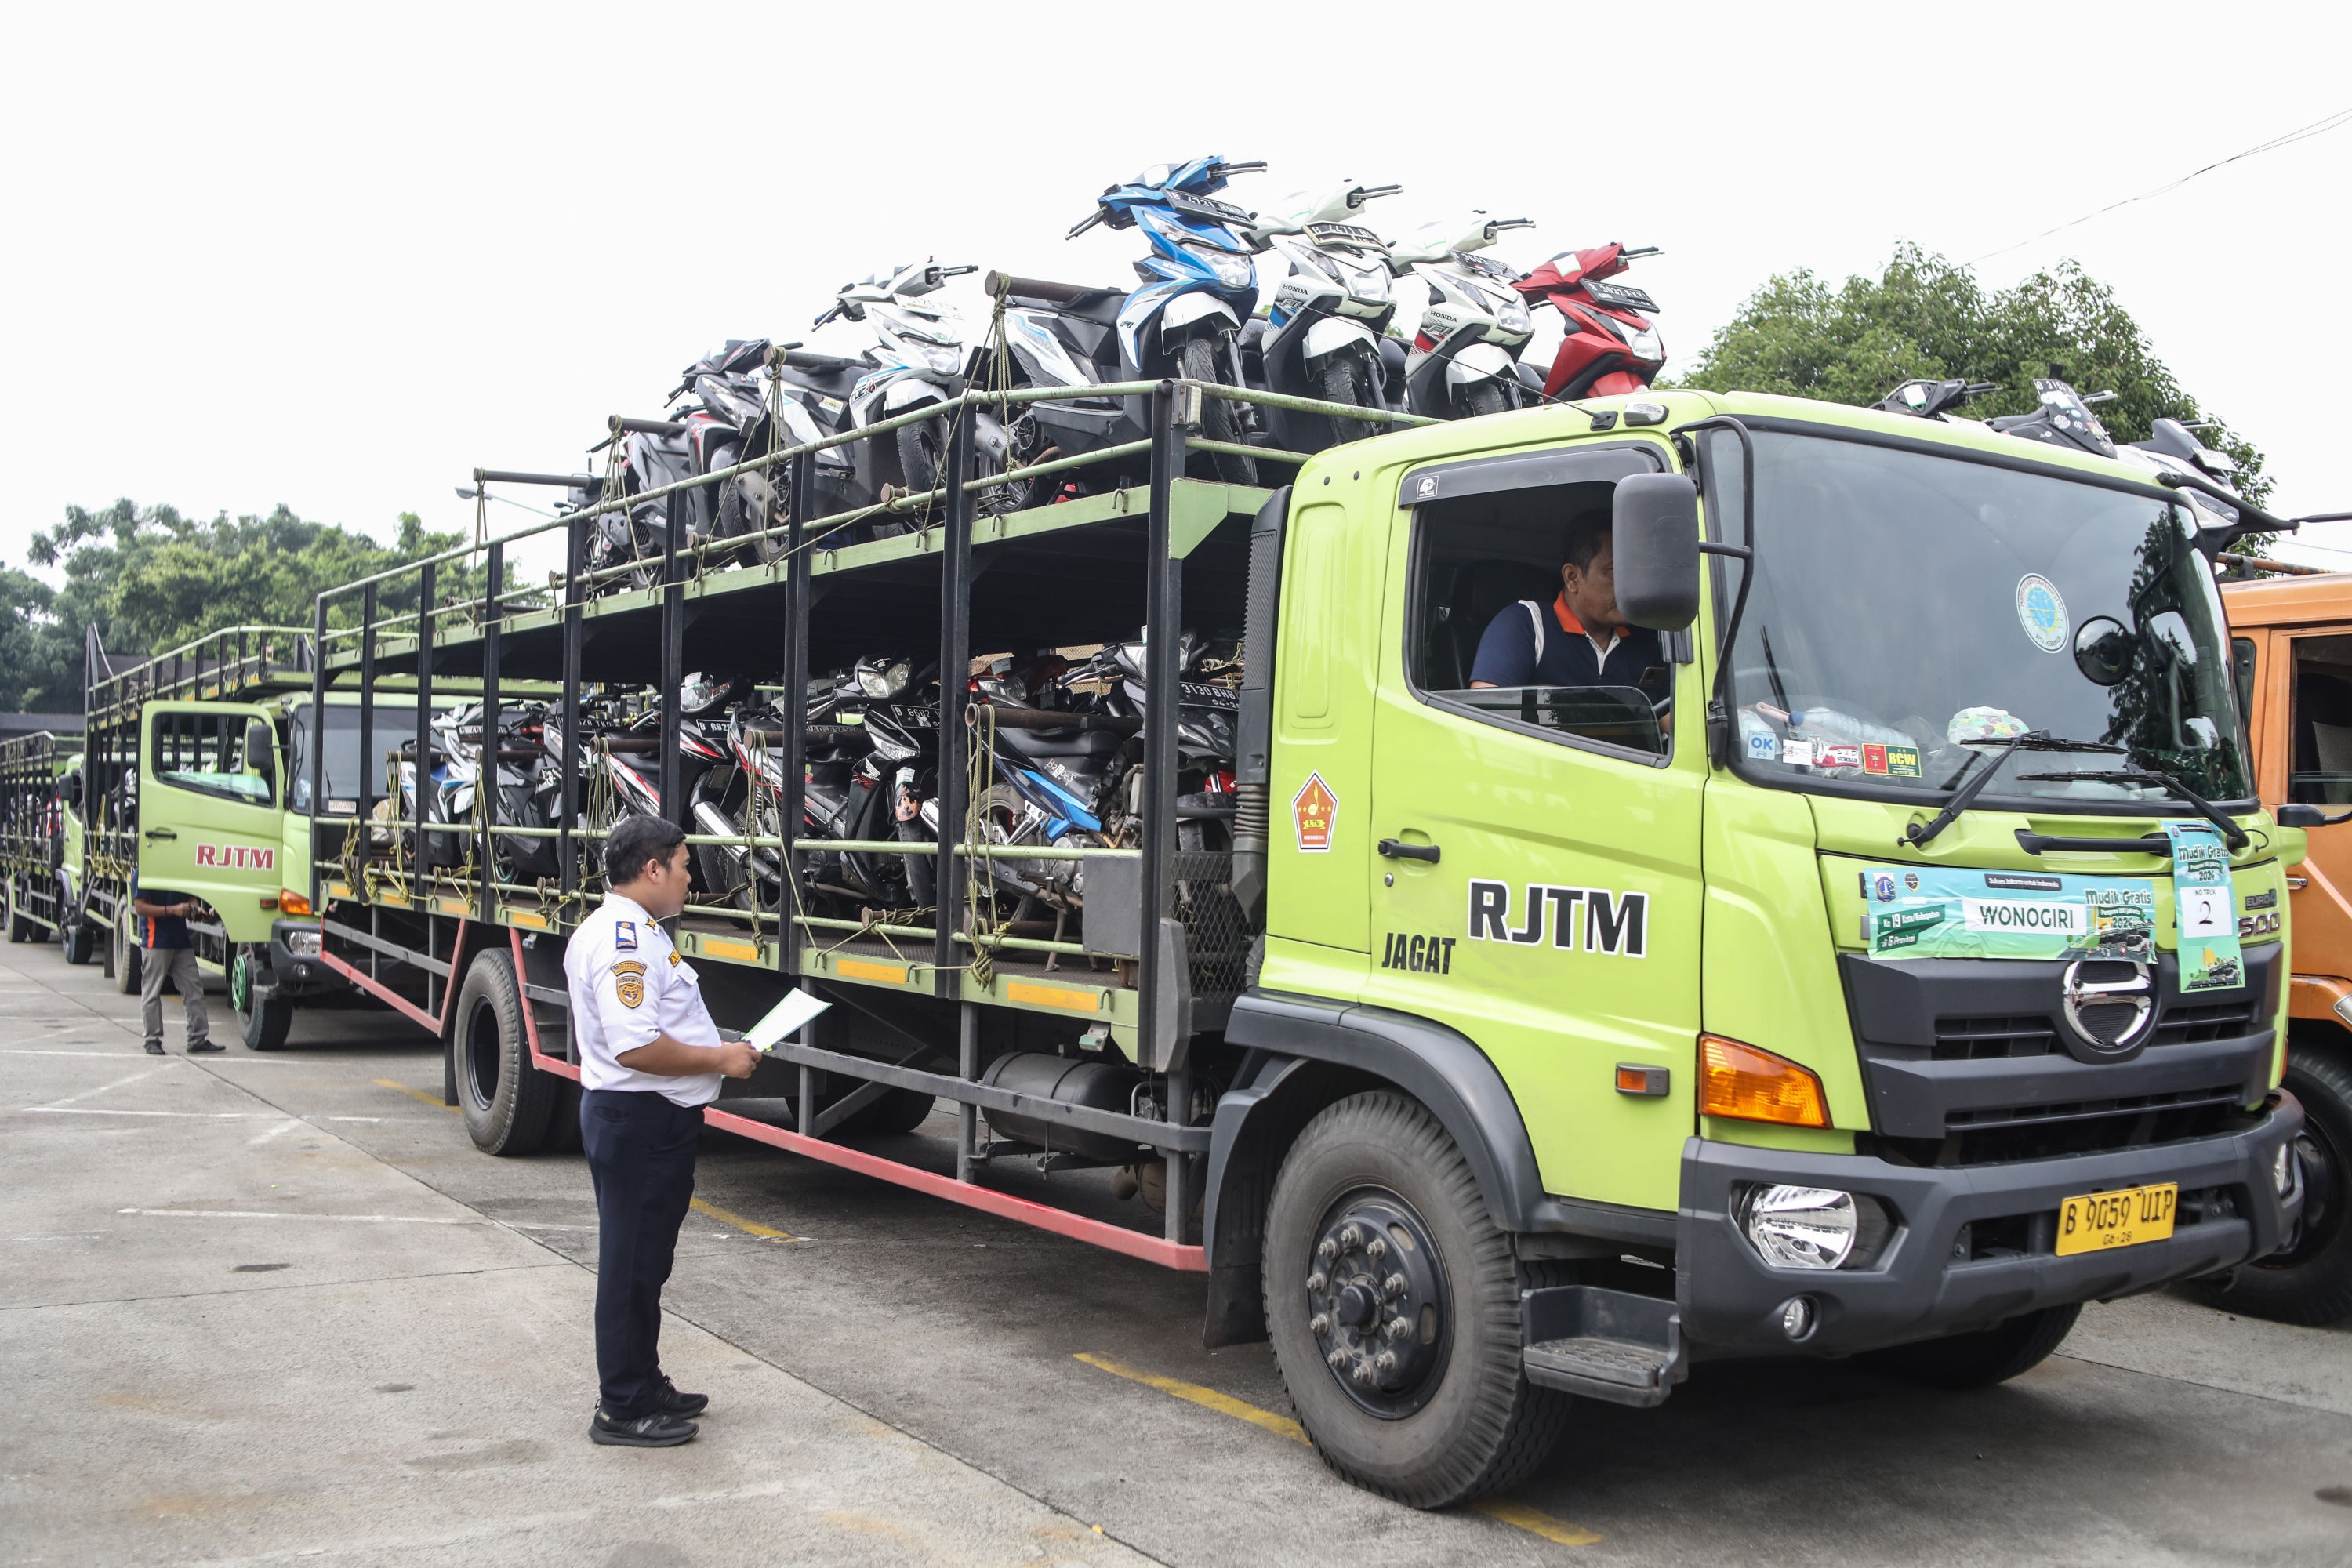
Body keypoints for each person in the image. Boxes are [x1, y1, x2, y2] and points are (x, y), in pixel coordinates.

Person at [565, 815, 760, 1448]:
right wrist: (723, 1059)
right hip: (638, 1119)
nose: (690, 877)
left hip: (648, 1119)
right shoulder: (625, 940)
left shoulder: (636, 931)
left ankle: (643, 1381)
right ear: (652, 869)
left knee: (647, 1261)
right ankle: (620, 1407)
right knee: (628, 1265)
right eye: (682, 864)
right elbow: (637, 1047)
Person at [1468, 506, 1665, 691]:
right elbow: (1485, 714)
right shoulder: (1527, 625)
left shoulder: (1648, 640)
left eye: (1634, 573)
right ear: (1572, 578)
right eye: (1614, 571)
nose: (1630, 585)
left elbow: (1674, 720)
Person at [132, 876, 216, 1056]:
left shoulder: (177, 866)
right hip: (156, 941)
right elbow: (139, 907)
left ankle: (197, 1038)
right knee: (152, 992)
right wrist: (172, 910)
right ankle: (152, 1040)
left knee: (194, 989)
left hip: (180, 940)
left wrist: (194, 909)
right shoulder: (145, 870)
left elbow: (188, 896)